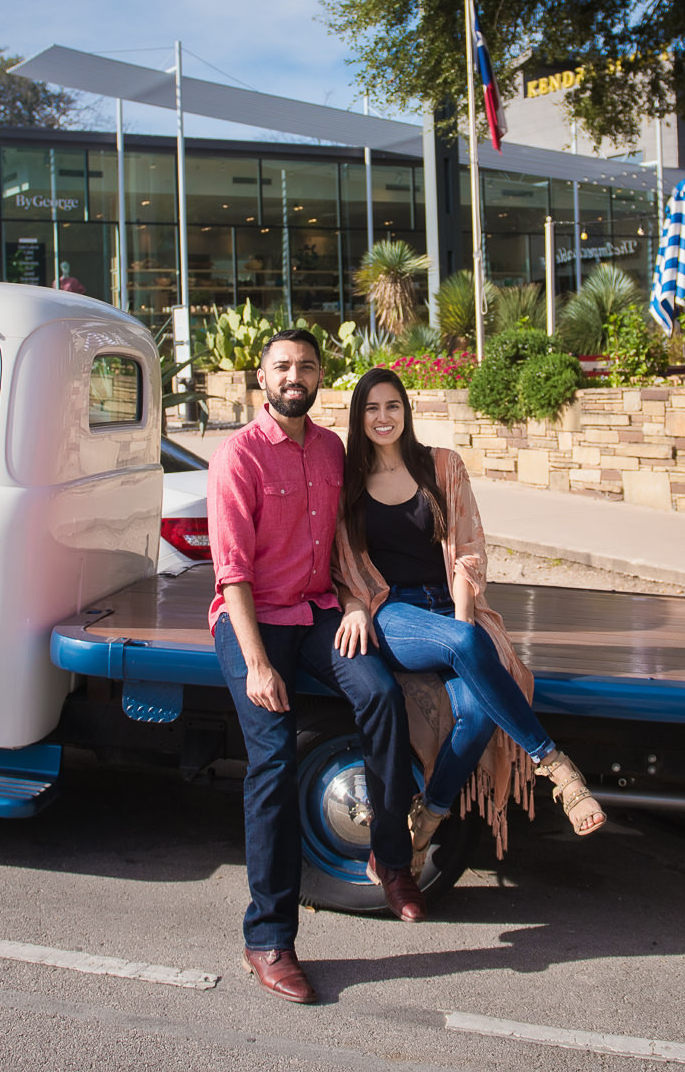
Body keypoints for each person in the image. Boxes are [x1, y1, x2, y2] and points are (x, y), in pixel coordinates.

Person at [207, 329, 422, 1007]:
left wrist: (358, 601)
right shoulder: (235, 457)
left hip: (317, 608)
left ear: (320, 374)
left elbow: (349, 541)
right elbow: (232, 574)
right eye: (281, 366)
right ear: (261, 378)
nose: (293, 375)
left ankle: (389, 855)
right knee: (272, 763)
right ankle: (267, 938)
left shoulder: (333, 449)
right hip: (252, 618)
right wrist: (257, 664)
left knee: (383, 695)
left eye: (304, 365)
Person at [331, 365, 606, 858]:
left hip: (451, 604)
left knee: (478, 713)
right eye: (372, 408)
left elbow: (469, 549)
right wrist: (354, 606)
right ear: (359, 416)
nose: (383, 417)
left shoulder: (441, 465)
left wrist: (463, 618)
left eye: (392, 405)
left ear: (406, 411)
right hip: (393, 612)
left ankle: (429, 814)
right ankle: (555, 765)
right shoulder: (349, 485)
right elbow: (343, 567)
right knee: (464, 644)